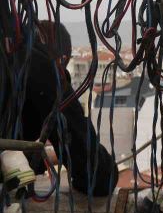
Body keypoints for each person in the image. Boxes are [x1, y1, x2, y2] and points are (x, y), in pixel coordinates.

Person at [21, 20, 118, 196]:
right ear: (63, 59)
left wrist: (45, 158)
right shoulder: (45, 71)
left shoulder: (13, 54)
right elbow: (99, 177)